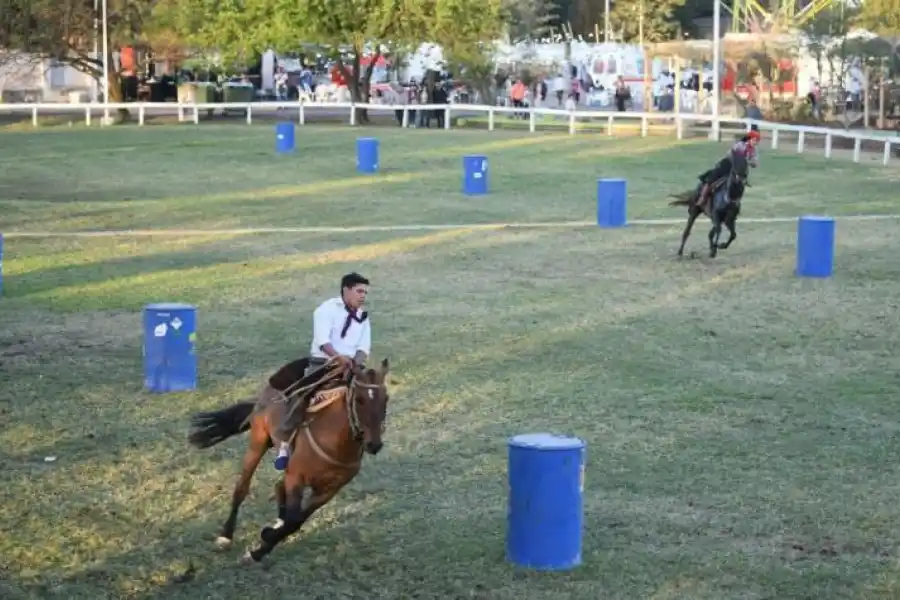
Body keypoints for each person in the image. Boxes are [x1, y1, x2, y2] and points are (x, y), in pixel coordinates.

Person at [274, 272, 372, 470]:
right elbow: (322, 341)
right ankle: (284, 445)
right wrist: (339, 358)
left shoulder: (363, 316)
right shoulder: (326, 310)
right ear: (346, 290)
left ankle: (366, 436)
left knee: (372, 396)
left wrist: (354, 363)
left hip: (352, 365)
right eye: (359, 291)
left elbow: (364, 347)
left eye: (365, 292)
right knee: (302, 395)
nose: (363, 296)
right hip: (324, 363)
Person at [696, 129, 760, 211]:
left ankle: (735, 201)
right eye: (754, 140)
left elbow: (755, 163)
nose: (755, 142)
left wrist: (751, 162)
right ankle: (702, 197)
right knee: (713, 178)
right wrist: (744, 160)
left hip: (740, 169)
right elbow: (733, 154)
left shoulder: (754, 151)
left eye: (757, 141)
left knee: (740, 183)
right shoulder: (740, 144)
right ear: (749, 139)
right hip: (728, 163)